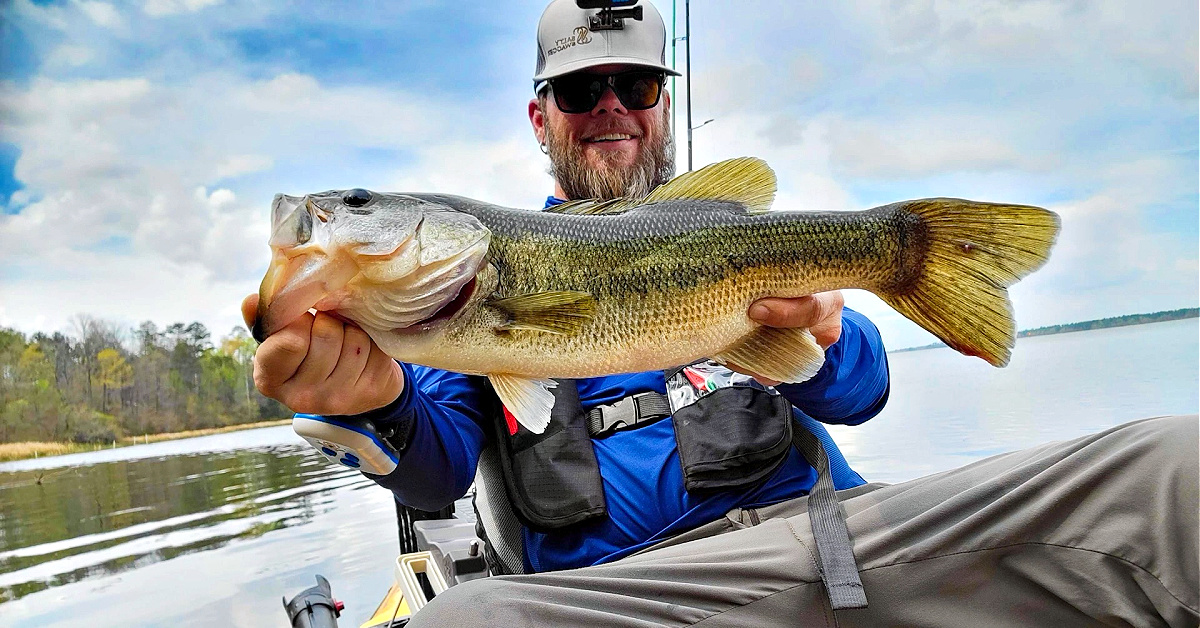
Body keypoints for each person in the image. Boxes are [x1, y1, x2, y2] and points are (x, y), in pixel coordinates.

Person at [243, 1, 1198, 626]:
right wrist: (376, 402)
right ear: (541, 118)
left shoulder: (730, 230)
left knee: (1175, 465)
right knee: (460, 621)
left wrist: (825, 329)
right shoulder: (442, 308)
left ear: (663, 106)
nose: (609, 108)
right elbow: (436, 472)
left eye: (635, 86)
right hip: (625, 599)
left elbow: (863, 393)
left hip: (830, 549)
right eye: (578, 90)